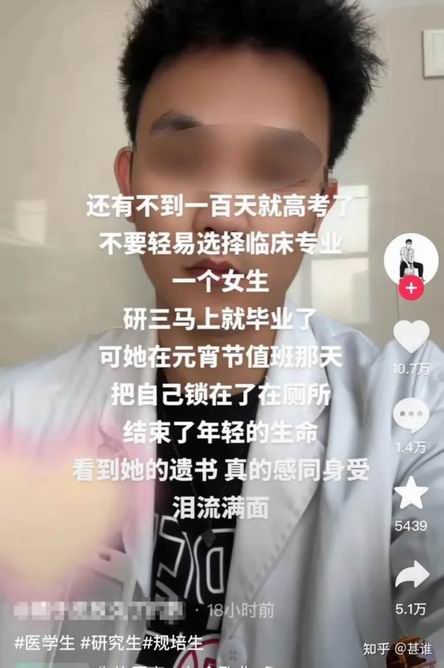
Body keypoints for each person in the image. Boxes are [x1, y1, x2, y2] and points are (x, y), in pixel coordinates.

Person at [0, 1, 443, 667]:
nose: (223, 216)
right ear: (129, 184)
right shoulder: (17, 418)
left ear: (320, 208)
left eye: (274, 170)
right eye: (182, 158)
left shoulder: (412, 412)